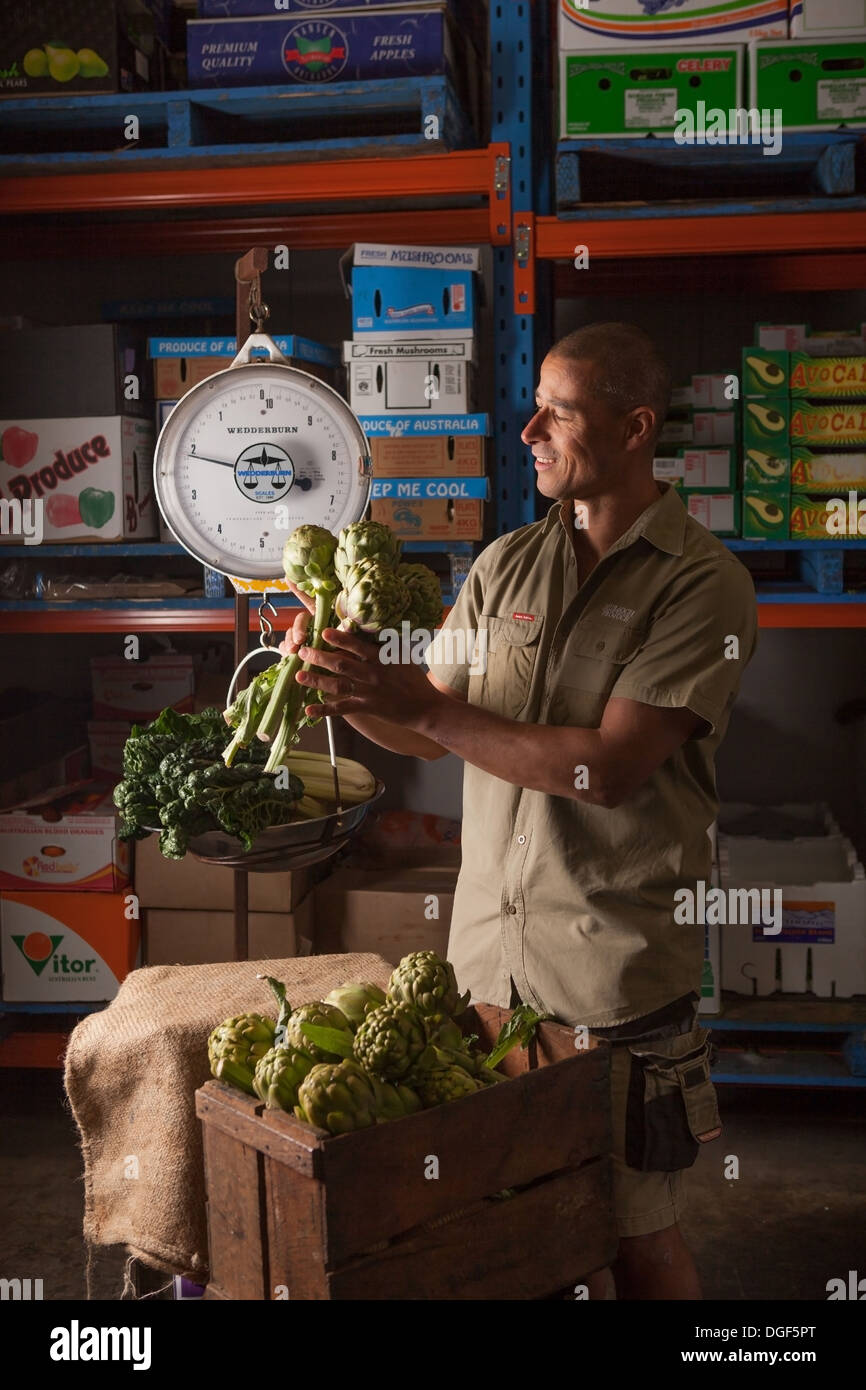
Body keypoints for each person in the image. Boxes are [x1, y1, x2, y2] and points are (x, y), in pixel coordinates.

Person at [282, 322, 758, 1300]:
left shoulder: (700, 585)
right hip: (484, 979)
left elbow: (611, 768)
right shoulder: (505, 566)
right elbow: (438, 731)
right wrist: (361, 692)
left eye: (560, 411)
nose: (528, 427)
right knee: (516, 1232)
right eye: (531, 402)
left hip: (610, 987)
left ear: (633, 428)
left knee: (637, 1241)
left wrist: (425, 705)